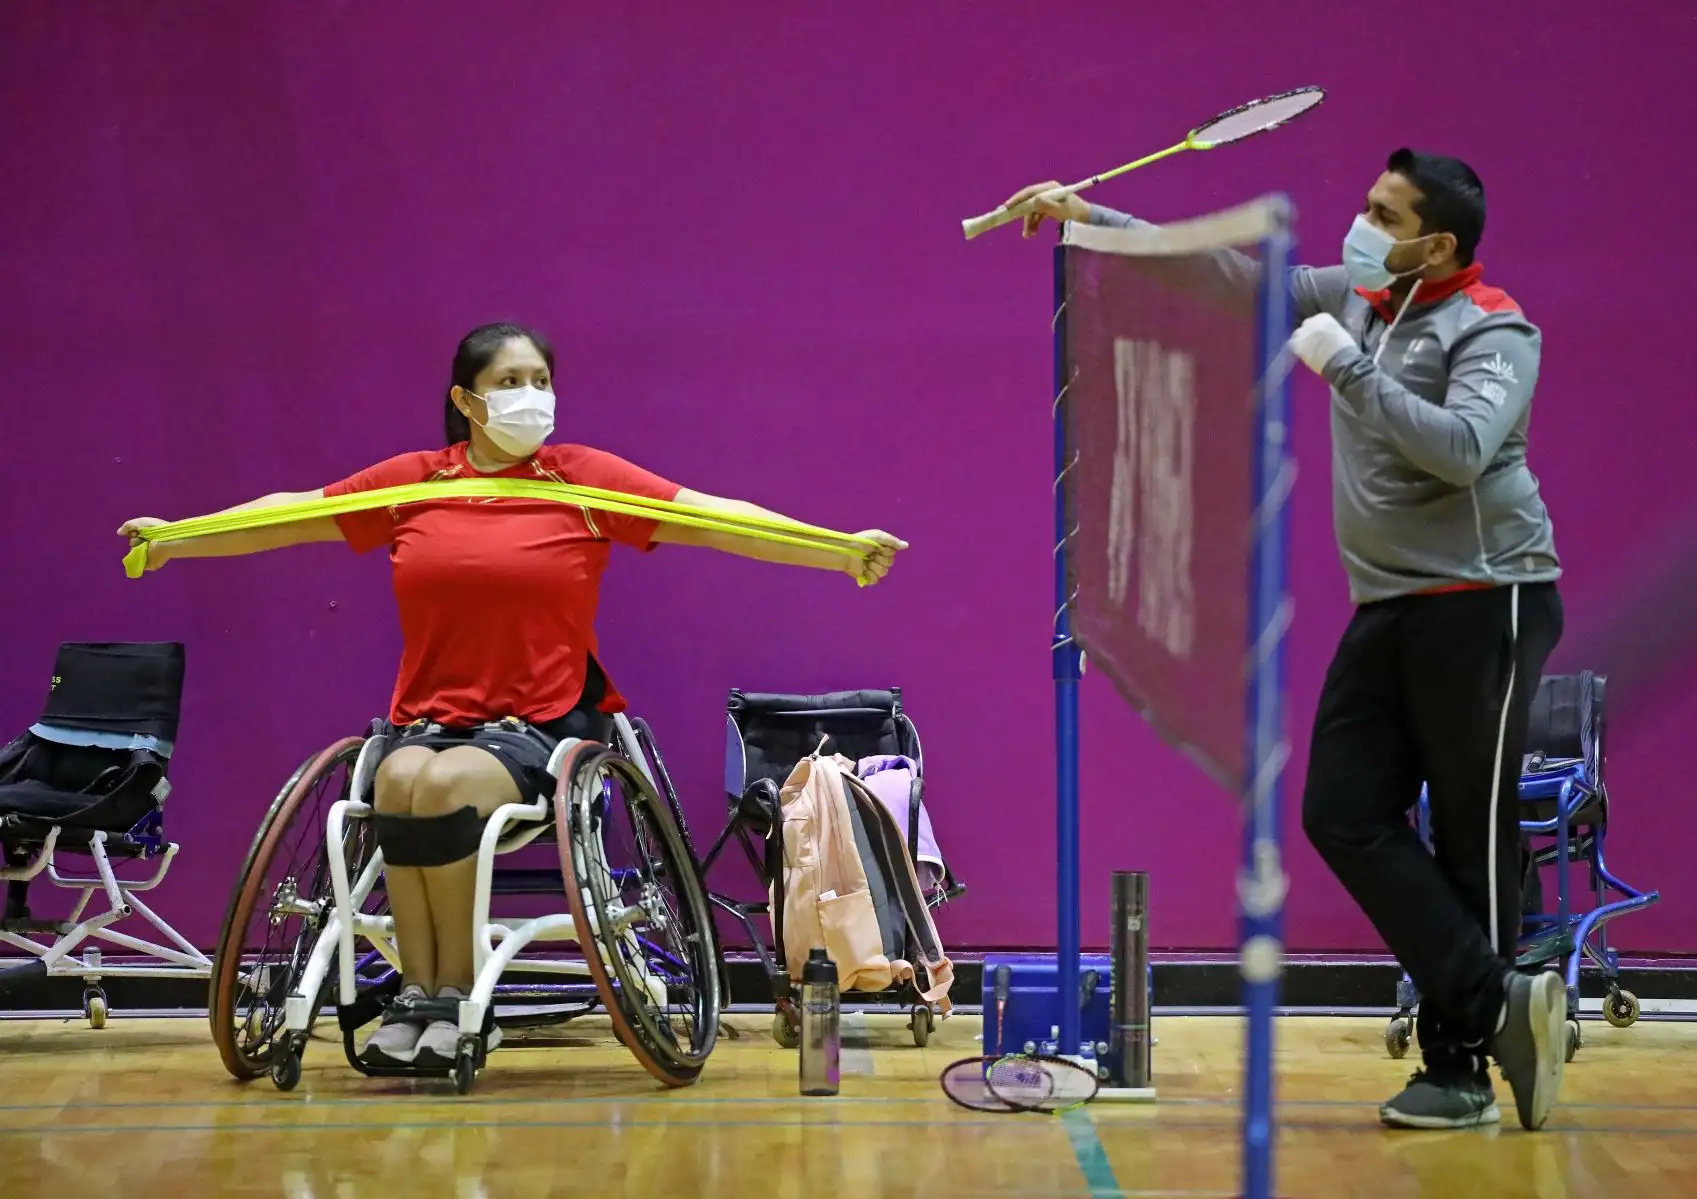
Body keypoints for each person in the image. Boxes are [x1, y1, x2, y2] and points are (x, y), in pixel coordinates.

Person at [118, 321, 905, 1069]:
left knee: (451, 782)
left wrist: (835, 550)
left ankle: (458, 994)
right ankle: (420, 994)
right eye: (509, 381)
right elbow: (289, 514)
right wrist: (180, 535)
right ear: (466, 400)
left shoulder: (585, 480)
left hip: (540, 723)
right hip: (426, 720)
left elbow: (715, 518)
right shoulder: (416, 482)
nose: (531, 394)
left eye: (541, 380)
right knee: (399, 780)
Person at [1005, 150, 1567, 1131]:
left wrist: (1342, 367)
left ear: (1437, 244)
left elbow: (1461, 449)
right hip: (1389, 602)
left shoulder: (1493, 330)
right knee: (1342, 811)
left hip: (1487, 599)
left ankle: (1461, 1072)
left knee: (1472, 842)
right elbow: (1230, 277)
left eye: (1384, 215)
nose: (1362, 224)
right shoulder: (1358, 292)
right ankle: (1500, 1004)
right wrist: (1085, 213)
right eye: (1366, 204)